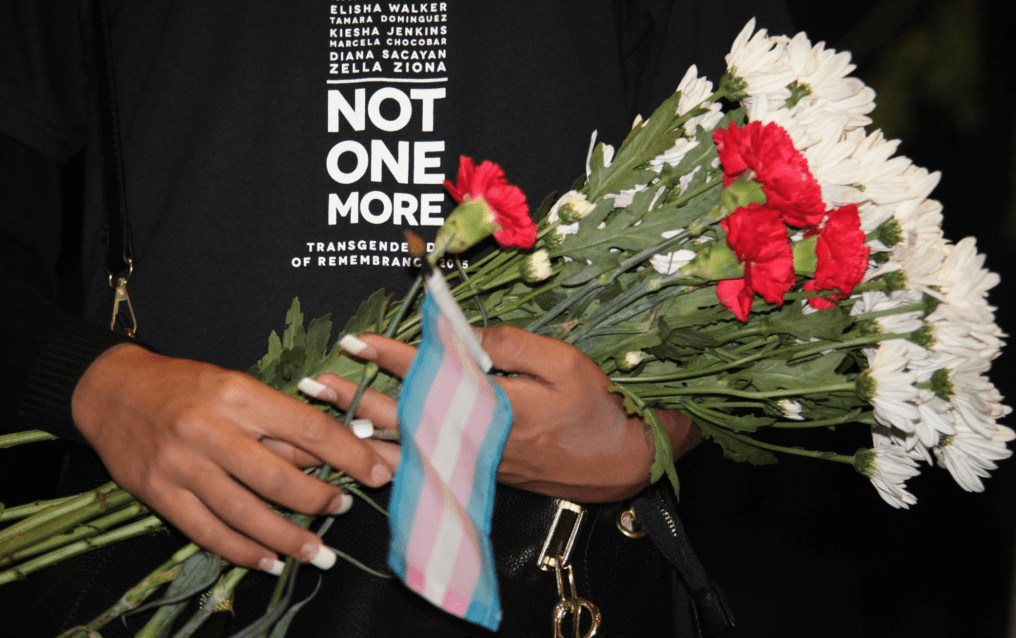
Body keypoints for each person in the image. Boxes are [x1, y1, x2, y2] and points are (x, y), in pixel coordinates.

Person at [0, 1, 790, 636]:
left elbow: (790, 208)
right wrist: (98, 384)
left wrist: (653, 431)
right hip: (154, 550)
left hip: (544, 561)